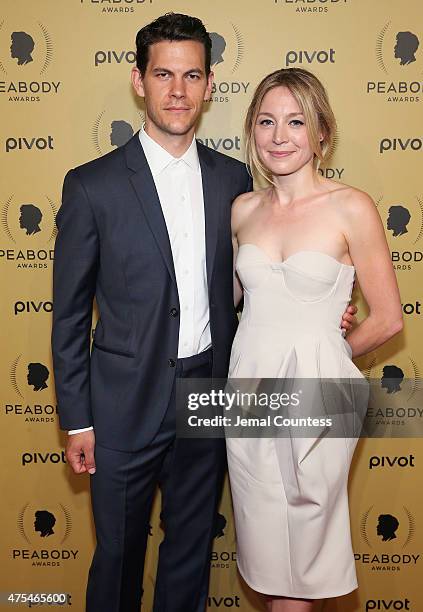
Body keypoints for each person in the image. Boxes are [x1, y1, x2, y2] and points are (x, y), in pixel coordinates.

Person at [51, 13, 356, 611]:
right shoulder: (92, 187)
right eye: (163, 74)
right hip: (121, 402)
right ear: (138, 81)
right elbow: (67, 316)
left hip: (210, 390)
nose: (177, 91)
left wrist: (319, 317)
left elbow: (256, 282)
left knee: (189, 553)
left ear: (210, 84)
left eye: (191, 75)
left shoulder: (235, 183)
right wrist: (77, 419)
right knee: (116, 556)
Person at [226, 67, 403, 612]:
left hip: (320, 394)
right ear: (252, 131)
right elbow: (233, 305)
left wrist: (327, 353)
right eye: (267, 121)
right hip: (250, 387)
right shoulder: (242, 211)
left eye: (296, 122)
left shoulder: (351, 206)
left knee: (308, 551)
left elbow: (390, 318)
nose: (280, 136)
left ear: (321, 131)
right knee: (266, 553)